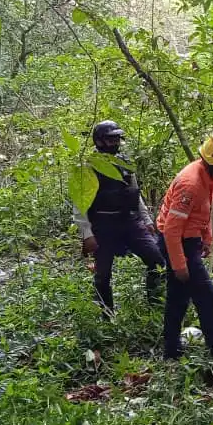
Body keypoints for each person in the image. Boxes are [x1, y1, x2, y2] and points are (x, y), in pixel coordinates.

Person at [157, 130, 213, 359]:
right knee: (206, 297)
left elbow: (203, 212)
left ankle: (171, 351)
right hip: (177, 244)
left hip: (189, 241)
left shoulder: (207, 177)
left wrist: (205, 240)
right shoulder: (190, 184)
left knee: (178, 298)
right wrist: (179, 264)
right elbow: (172, 229)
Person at [73, 120, 165, 315]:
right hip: (102, 224)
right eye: (109, 139)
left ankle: (155, 307)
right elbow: (79, 204)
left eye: (117, 139)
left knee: (156, 259)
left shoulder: (123, 163)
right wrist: (86, 233)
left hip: (129, 221)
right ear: (99, 141)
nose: (114, 143)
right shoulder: (87, 167)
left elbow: (134, 192)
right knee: (103, 274)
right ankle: (106, 316)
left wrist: (147, 220)